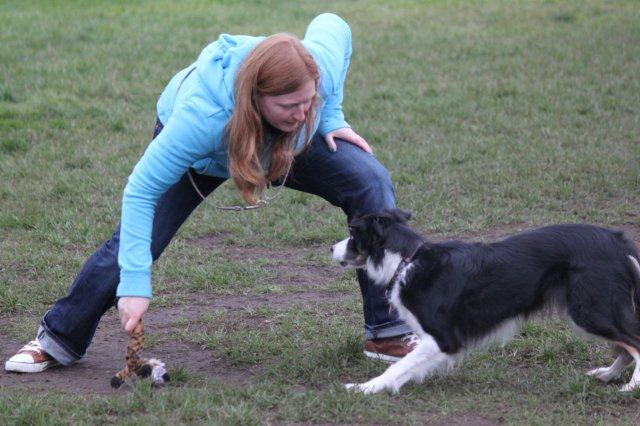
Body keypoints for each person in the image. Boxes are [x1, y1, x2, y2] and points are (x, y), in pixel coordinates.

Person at [5, 13, 417, 374]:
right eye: (290, 105)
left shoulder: (313, 75)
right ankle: (58, 338)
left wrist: (331, 116)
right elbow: (140, 191)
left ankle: (386, 332)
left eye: (309, 102)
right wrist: (134, 284)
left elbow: (333, 23)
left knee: (368, 180)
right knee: (140, 240)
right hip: (206, 157)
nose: (301, 113)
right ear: (257, 97)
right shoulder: (202, 117)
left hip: (280, 147)